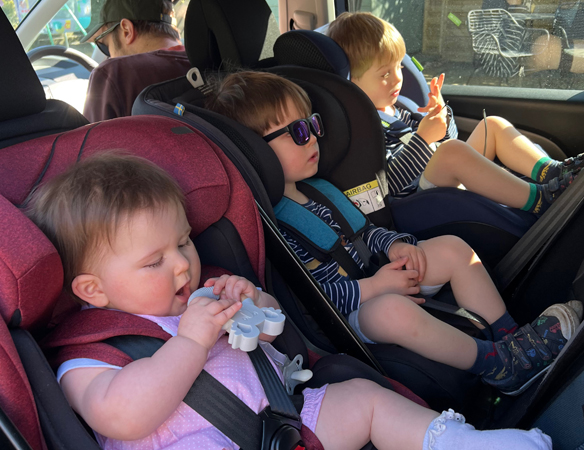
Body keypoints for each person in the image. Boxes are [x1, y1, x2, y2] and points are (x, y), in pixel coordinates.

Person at [27, 152, 559, 450]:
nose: (183, 264)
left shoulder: (203, 292)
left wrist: (253, 301)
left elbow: (274, 335)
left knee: (366, 401)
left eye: (184, 241)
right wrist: (190, 339)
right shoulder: (90, 352)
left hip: (290, 419)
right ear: (92, 290)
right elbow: (124, 416)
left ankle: (459, 443)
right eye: (154, 261)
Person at [204, 70, 583, 396]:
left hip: (377, 277)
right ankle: (497, 365)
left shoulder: (320, 190)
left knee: (452, 249)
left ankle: (511, 339)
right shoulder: (277, 225)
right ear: (255, 152)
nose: (314, 138)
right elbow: (314, 299)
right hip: (350, 314)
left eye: (314, 125)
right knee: (391, 312)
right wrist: (374, 289)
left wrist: (397, 244)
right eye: (298, 132)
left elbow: (366, 233)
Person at [326, 12, 583, 215]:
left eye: (398, 67)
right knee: (452, 153)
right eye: (384, 74)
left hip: (439, 177)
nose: (397, 79)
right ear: (350, 81)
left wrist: (442, 116)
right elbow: (388, 186)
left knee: (490, 125)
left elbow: (448, 138)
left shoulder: (400, 106)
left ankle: (554, 172)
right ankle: (540, 200)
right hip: (413, 202)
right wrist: (423, 140)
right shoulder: (361, 130)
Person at [81, 0, 191, 122]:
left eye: (105, 46)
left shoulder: (115, 75)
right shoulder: (206, 62)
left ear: (127, 30)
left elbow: (89, 139)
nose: (109, 56)